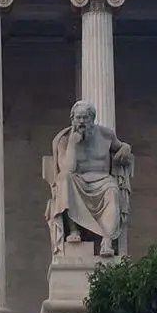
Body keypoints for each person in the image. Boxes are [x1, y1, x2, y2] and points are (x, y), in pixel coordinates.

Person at [45, 100, 134, 257]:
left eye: (85, 118)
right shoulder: (64, 139)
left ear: (92, 119)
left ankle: (107, 240)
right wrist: (73, 144)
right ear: (72, 119)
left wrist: (126, 148)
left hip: (103, 181)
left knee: (112, 190)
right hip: (78, 181)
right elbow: (67, 169)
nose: (81, 122)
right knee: (64, 179)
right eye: (78, 118)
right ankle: (74, 230)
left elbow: (121, 146)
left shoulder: (106, 135)